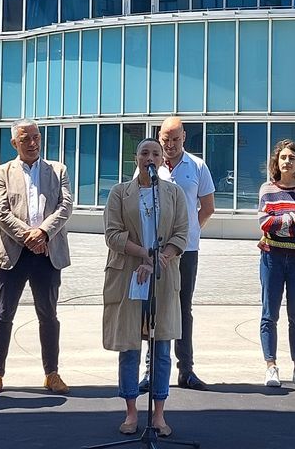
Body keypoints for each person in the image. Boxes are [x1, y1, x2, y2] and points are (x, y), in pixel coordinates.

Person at [0, 121, 74, 397]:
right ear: (14, 143)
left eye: (36, 137)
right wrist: (29, 236)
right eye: (25, 139)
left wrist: (43, 232)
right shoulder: (1, 173)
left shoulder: (58, 170)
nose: (32, 143)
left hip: (48, 253)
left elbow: (65, 205)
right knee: (3, 314)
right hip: (13, 254)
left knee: (48, 315)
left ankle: (51, 373)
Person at [102, 139, 188, 437]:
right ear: (135, 158)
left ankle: (160, 414)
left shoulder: (173, 193)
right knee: (129, 347)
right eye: (144, 153)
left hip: (163, 274)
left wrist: (160, 258)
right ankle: (130, 412)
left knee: (162, 345)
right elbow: (112, 235)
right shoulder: (118, 193)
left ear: (162, 160)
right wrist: (143, 254)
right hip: (129, 273)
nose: (150, 157)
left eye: (155, 153)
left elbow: (181, 233)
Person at [138, 117, 215, 392]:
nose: (170, 145)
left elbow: (207, 207)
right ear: (159, 138)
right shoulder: (148, 167)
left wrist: (189, 231)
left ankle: (187, 370)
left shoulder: (197, 166)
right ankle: (151, 371)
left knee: (183, 308)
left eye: (175, 139)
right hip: (152, 250)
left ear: (184, 137)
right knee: (152, 307)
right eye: (165, 140)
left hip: (186, 250)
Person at [257, 139, 295, 388]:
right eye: (283, 157)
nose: (287, 161)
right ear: (276, 161)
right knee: (269, 314)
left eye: (292, 158)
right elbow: (264, 223)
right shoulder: (267, 190)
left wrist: (282, 224)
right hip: (272, 257)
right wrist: (294, 218)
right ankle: (271, 367)